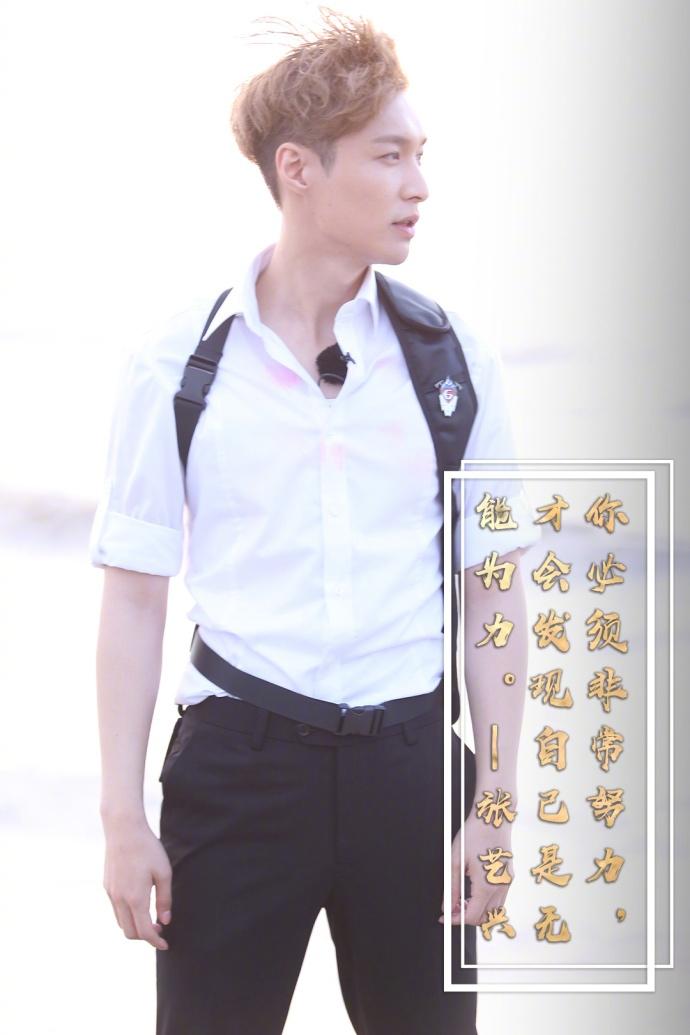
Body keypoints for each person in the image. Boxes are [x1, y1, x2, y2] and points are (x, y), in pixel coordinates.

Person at [90, 8, 540, 1033]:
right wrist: (122, 815)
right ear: (298, 168)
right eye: (388, 156)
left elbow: (494, 596)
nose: (419, 184)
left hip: (413, 773)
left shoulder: (452, 359)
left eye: (420, 154)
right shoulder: (177, 364)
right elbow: (134, 595)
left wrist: (495, 803)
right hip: (237, 770)